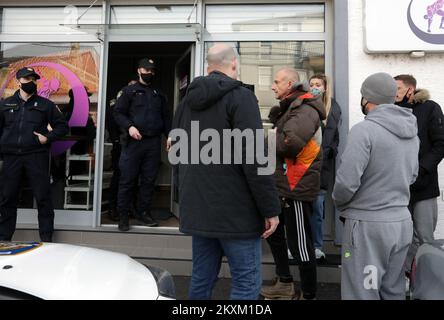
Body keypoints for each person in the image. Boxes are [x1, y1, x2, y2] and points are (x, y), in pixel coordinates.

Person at [171, 43, 280, 300]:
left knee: (201, 280)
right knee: (245, 283)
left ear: (208, 66)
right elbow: (254, 157)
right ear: (234, 64)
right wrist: (270, 209)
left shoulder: (187, 101)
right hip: (236, 213)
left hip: (199, 209)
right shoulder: (241, 97)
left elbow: (176, 151)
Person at [333, 72, 419, 300]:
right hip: (401, 222)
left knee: (362, 293)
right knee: (393, 291)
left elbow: (346, 183)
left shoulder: (364, 130)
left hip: (368, 225)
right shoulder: (412, 132)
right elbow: (412, 176)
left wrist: (339, 202)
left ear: (367, 98)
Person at [261, 68, 325, 300]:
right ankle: (284, 283)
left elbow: (289, 143)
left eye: (277, 81)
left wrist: (267, 137)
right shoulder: (292, 108)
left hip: (296, 187)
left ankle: (308, 294)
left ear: (290, 84)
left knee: (300, 244)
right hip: (283, 184)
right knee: (275, 235)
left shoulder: (306, 109)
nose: (273, 86)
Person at [0, 67, 69, 242]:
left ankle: (46, 239)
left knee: (43, 197)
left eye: (34, 79)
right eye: (27, 78)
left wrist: (48, 138)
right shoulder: (5, 104)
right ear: (19, 81)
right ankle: (4, 239)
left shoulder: (46, 105)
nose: (31, 82)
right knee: (8, 198)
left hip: (36, 156)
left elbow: (62, 127)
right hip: (11, 158)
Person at [394, 74, 444, 278]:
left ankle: (427, 282)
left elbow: (441, 144)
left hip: (424, 187)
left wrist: (420, 170)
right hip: (398, 188)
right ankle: (403, 279)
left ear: (410, 90)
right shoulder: (390, 111)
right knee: (400, 239)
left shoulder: (430, 108)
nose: (393, 92)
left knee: (424, 238)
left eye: (396, 88)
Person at [113, 59, 171, 231]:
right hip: (133, 143)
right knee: (127, 180)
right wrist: (129, 127)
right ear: (139, 70)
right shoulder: (128, 91)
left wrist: (170, 135)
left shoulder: (158, 94)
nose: (149, 73)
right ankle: (123, 216)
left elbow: (166, 117)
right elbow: (118, 113)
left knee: (148, 180)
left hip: (153, 143)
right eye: (146, 69)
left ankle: (143, 213)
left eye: (152, 70)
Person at [308, 74, 342, 260]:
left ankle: (317, 246)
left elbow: (331, 139)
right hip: (303, 165)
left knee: (317, 208)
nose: (314, 87)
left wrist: (326, 154)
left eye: (318, 85)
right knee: (300, 209)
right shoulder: (304, 104)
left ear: (325, 88)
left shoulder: (333, 108)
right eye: (311, 84)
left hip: (321, 167)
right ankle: (299, 245)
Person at [105, 79, 138, 222]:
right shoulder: (118, 100)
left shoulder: (137, 104)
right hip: (121, 144)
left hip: (134, 145)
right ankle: (113, 208)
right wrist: (116, 141)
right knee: (119, 177)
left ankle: (129, 207)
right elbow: (112, 121)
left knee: (133, 178)